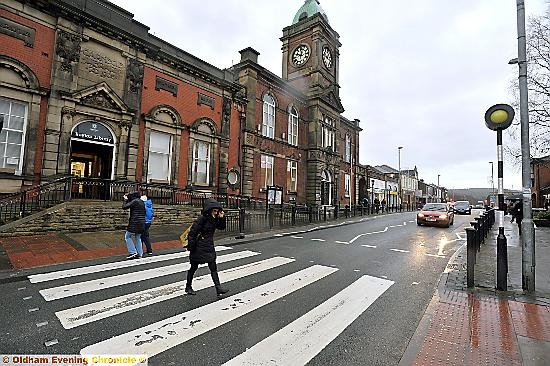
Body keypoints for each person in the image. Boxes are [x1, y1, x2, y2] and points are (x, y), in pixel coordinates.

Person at [185, 198, 228, 297]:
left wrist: (222, 218)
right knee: (193, 268)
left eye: (217, 211)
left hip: (209, 246)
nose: (215, 213)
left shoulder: (214, 218)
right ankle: (188, 286)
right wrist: (191, 248)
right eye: (214, 211)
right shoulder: (202, 219)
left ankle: (218, 288)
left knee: (213, 267)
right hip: (198, 247)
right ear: (209, 210)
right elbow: (192, 233)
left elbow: (221, 227)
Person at [122, 191, 146, 259]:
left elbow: (124, 207)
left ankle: (132, 252)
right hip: (141, 223)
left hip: (134, 222)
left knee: (127, 236)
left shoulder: (135, 201)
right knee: (138, 237)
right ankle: (140, 253)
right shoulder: (141, 202)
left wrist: (125, 200)